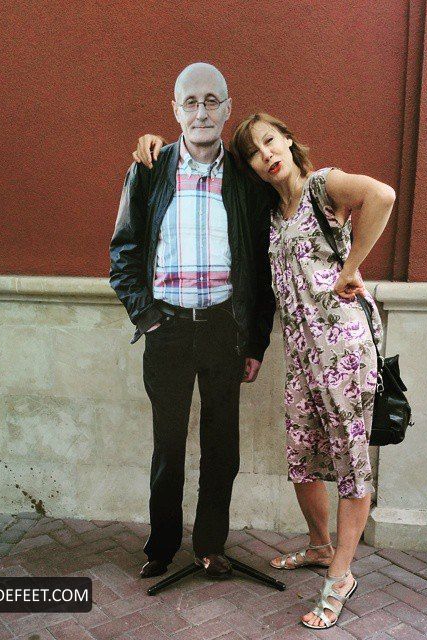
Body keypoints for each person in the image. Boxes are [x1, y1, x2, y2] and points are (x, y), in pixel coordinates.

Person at [134, 113, 394, 628]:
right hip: (301, 353)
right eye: (254, 152)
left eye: (271, 142)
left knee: (350, 463)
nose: (266, 155)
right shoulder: (272, 212)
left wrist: (350, 269)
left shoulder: (323, 186)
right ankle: (320, 546)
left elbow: (382, 196)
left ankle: (340, 576)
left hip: (342, 349)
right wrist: (156, 142)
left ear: (290, 141)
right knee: (303, 458)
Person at [109, 64, 275, 580]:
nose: (201, 112)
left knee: (222, 447)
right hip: (169, 328)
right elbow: (123, 254)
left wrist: (255, 343)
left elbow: (261, 267)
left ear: (227, 109)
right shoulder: (149, 170)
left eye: (211, 101)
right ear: (175, 110)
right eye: (190, 102)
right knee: (168, 446)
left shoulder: (245, 179)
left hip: (225, 328)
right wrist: (149, 319)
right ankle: (161, 546)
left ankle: (210, 546)